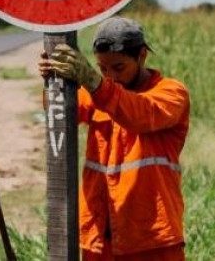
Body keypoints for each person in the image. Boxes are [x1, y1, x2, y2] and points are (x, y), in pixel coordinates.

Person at [38, 16, 190, 261]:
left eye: (119, 67)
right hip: (100, 237)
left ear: (142, 56)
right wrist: (54, 82)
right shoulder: (100, 93)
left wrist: (94, 81)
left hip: (152, 239)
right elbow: (62, 114)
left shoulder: (171, 93)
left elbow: (139, 114)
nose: (111, 76)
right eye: (103, 69)